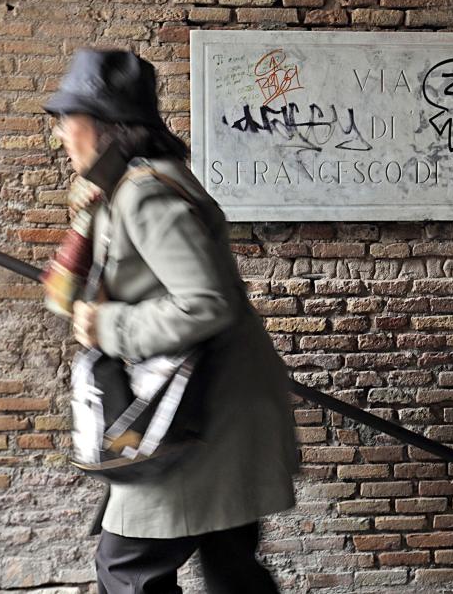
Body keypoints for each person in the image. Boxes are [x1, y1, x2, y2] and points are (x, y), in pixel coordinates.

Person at [42, 47, 301, 594]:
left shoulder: (146, 192)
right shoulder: (124, 189)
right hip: (210, 411)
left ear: (108, 126)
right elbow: (64, 292)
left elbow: (204, 303)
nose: (61, 133)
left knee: (127, 568)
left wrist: (109, 327)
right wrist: (87, 214)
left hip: (204, 421)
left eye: (70, 119)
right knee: (230, 569)